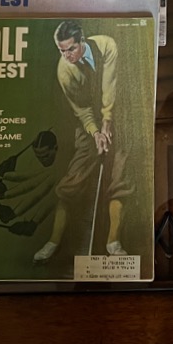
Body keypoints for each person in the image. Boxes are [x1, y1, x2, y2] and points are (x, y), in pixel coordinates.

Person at [33, 20, 132, 264]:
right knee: (71, 182)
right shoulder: (64, 71)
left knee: (120, 178)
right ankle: (53, 241)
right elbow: (82, 109)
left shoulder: (107, 46)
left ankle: (113, 242)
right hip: (89, 126)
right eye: (61, 50)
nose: (67, 55)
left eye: (71, 49)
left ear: (82, 41)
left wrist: (108, 121)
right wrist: (96, 132)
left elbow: (110, 86)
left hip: (121, 118)